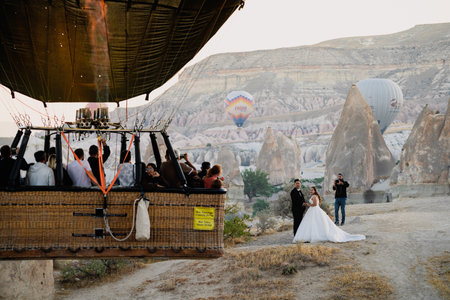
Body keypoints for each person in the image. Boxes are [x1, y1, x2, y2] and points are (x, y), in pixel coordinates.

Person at [293, 186, 365, 243]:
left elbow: (315, 205)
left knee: (315, 223)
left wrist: (307, 204)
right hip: (312, 211)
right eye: (310, 190)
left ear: (315, 191)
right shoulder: (313, 196)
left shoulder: (314, 196)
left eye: (312, 190)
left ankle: (313, 236)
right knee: (313, 223)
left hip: (315, 210)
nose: (311, 191)